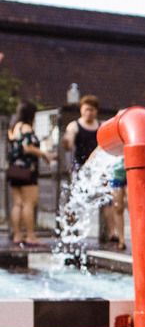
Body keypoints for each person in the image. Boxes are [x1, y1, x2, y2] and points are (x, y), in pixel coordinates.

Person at [61, 95, 126, 249]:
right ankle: (71, 231)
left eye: (92, 110)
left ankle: (111, 233)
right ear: (81, 110)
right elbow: (69, 139)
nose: (89, 113)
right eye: (86, 109)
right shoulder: (75, 125)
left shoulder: (101, 126)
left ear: (96, 111)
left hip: (99, 169)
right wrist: (67, 143)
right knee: (76, 201)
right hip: (81, 170)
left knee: (106, 201)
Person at [6, 100, 55, 246]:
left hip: (14, 170)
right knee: (29, 202)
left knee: (17, 203)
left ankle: (17, 235)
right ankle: (30, 235)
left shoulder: (14, 128)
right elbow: (27, 147)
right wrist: (45, 154)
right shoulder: (26, 127)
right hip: (27, 170)